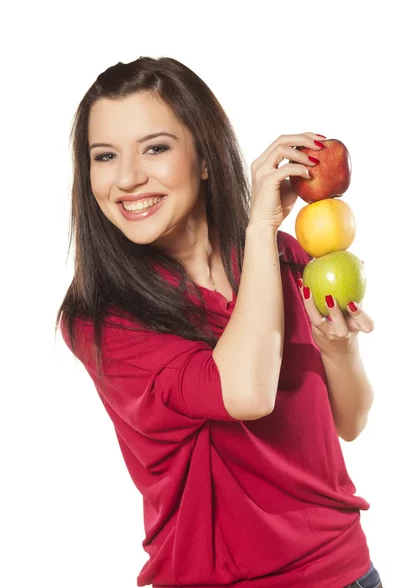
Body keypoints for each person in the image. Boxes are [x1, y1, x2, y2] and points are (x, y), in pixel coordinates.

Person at [56, 56, 383, 588]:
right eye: (105, 156)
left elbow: (349, 422)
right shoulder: (101, 320)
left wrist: (340, 350)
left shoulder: (286, 256)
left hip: (345, 569)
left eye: (156, 148)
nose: (128, 178)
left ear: (205, 158)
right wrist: (260, 226)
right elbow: (247, 393)